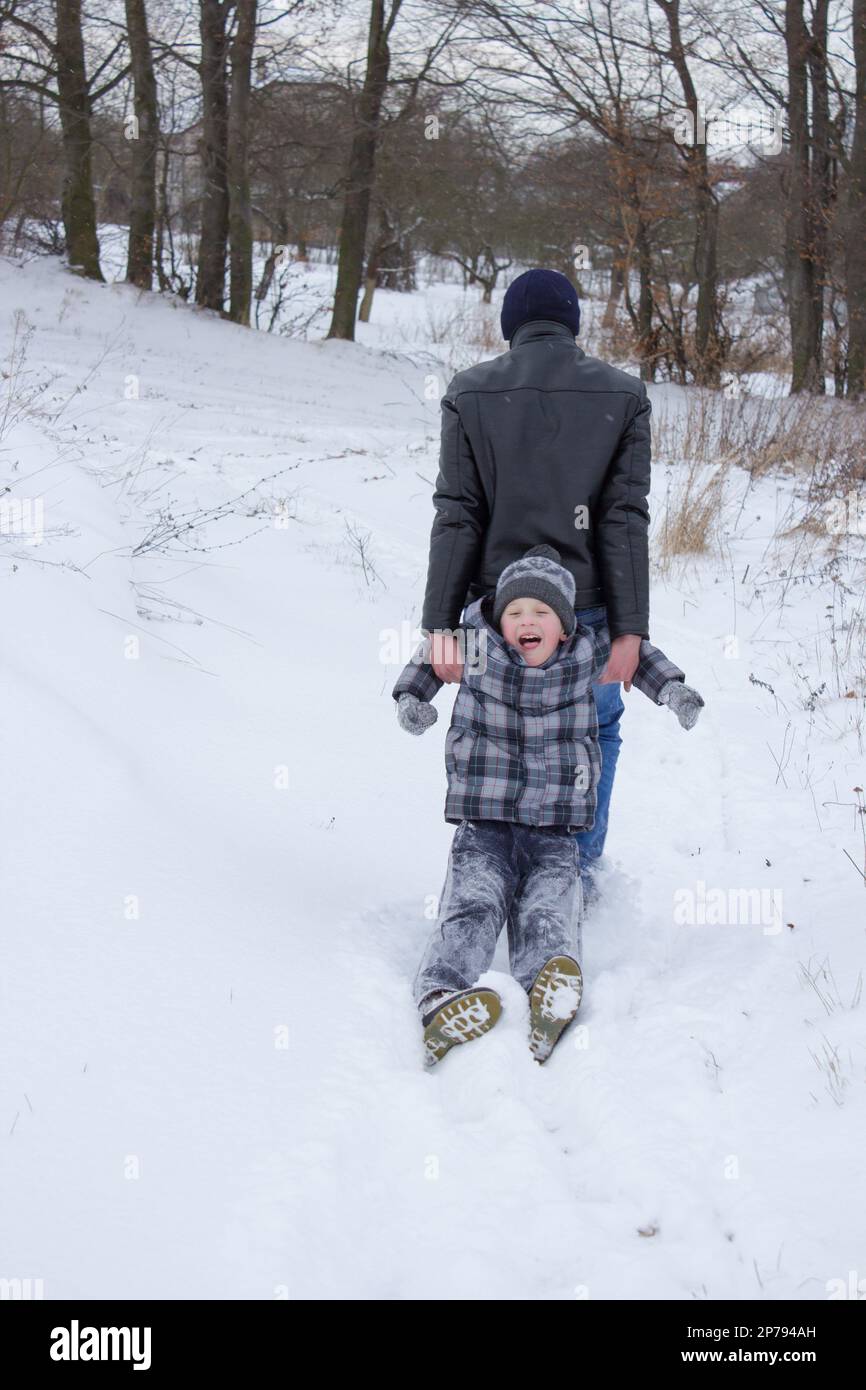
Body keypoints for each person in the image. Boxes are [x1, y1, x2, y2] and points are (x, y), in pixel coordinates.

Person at [393, 546, 704, 1067]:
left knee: (550, 908)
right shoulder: (478, 648)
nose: (525, 622)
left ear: (563, 627)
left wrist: (673, 690)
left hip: (556, 829)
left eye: (540, 613)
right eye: (514, 612)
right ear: (499, 619)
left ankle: (548, 994)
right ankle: (441, 996)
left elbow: (641, 657)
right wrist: (411, 699)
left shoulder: (586, 655)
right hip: (484, 821)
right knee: (474, 902)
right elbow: (427, 660)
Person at [420, 267, 654, 904]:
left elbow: (458, 513)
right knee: (594, 731)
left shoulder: (469, 392)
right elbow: (624, 519)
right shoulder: (624, 394)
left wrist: (441, 627)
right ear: (572, 324)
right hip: (586, 612)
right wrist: (630, 631)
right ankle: (572, 871)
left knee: (493, 731)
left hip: (498, 611)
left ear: (510, 326)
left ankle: (489, 873)